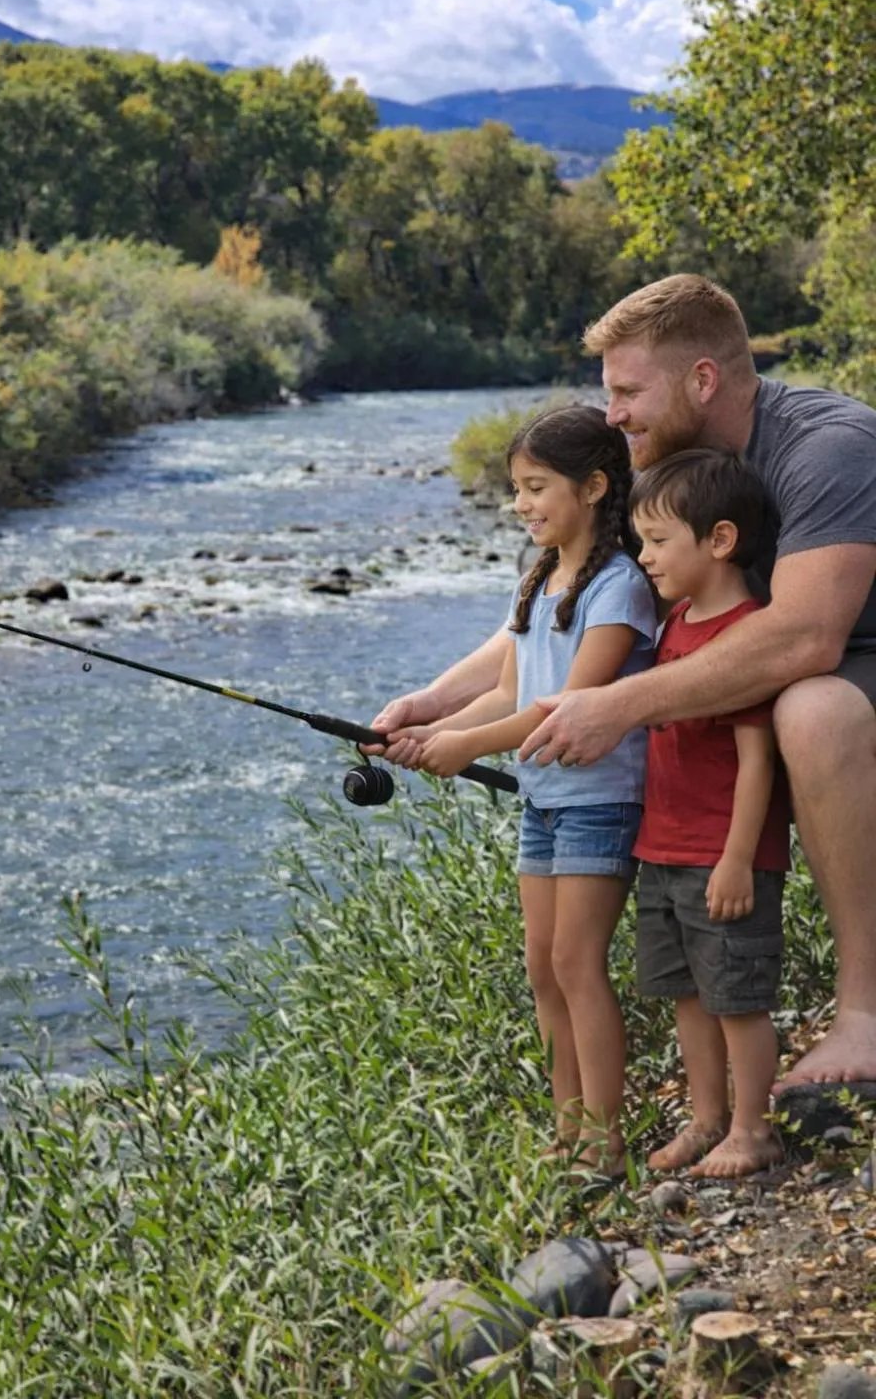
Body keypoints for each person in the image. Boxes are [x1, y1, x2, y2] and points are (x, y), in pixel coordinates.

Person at [373, 274, 876, 1097]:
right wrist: (437, 702)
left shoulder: (828, 446)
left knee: (812, 711)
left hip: (854, 651)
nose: (613, 416)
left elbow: (807, 634)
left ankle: (863, 1012)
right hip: (789, 671)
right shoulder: (668, 468)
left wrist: (615, 705)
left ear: (702, 381)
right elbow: (559, 613)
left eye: (628, 391)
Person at [410, 404, 657, 1172]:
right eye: (515, 488)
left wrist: (465, 748)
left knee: (579, 966)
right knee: (542, 968)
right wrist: (428, 733)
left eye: (535, 486)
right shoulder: (538, 580)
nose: (520, 504)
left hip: (601, 803)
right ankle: (567, 1129)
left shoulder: (619, 588)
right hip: (542, 803)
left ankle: (606, 1142)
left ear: (592, 487)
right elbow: (509, 699)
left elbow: (568, 709)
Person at [630, 449, 789, 1178]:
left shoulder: (745, 636)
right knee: (688, 997)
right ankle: (706, 1119)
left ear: (719, 541)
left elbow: (758, 762)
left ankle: (754, 1130)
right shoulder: (675, 624)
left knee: (737, 1000)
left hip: (721, 856)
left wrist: (736, 857)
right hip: (662, 851)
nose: (644, 556)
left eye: (658, 541)